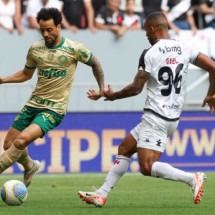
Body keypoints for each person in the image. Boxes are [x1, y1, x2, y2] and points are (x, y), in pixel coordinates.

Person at [78, 11, 215, 207]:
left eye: (146, 32)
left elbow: (136, 88)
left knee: (147, 166)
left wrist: (111, 96)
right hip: (171, 116)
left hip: (156, 116)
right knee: (125, 148)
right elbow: (213, 67)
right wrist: (210, 94)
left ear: (152, 29)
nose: (146, 37)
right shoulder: (185, 47)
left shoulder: (150, 53)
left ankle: (192, 178)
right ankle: (102, 193)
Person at [0, 7, 105, 187]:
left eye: (49, 29)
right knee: (8, 144)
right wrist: (3, 79)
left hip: (54, 109)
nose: (45, 33)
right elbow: (26, 74)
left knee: (20, 141)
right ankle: (30, 166)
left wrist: (101, 89)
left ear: (58, 26)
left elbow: (95, 63)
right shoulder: (35, 49)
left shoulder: (73, 48)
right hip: (33, 104)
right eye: (42, 30)